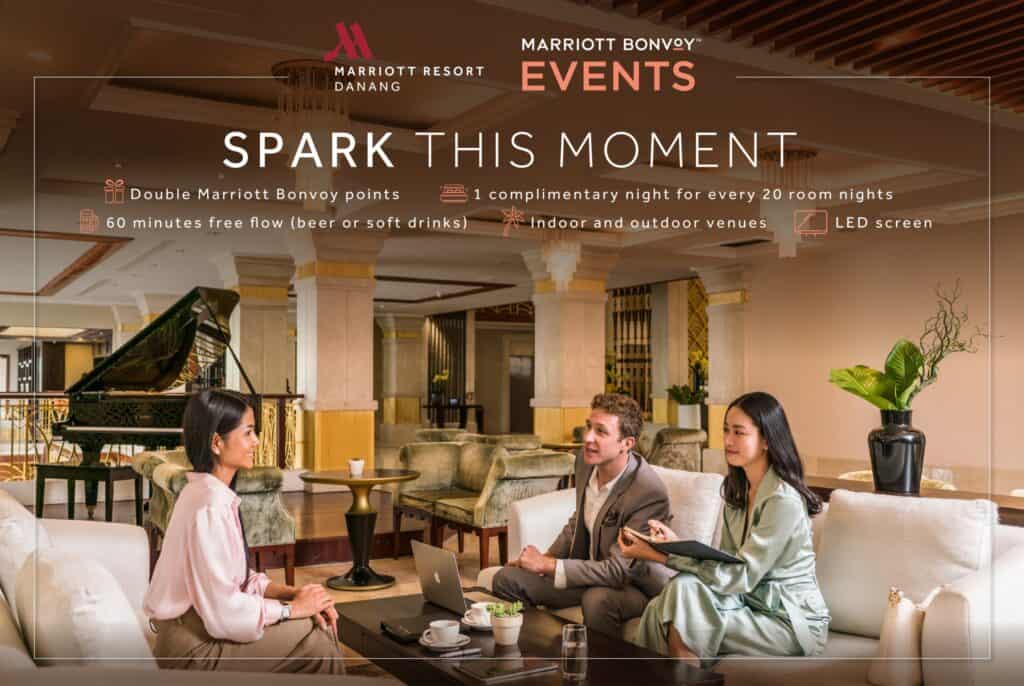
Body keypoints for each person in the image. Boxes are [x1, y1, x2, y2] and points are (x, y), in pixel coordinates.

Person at [620, 391, 829, 665]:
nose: (728, 441)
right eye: (726, 430)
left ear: (766, 439)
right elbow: (727, 565)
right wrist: (672, 544)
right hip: (748, 605)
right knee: (683, 589)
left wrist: (661, 556)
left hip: (789, 621)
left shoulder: (782, 501)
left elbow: (740, 576)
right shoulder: (738, 492)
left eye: (739, 432)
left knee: (681, 608)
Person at [144, 389, 343, 673]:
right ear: (217, 442)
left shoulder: (205, 493)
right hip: (192, 648)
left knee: (318, 637)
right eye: (248, 433)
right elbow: (223, 615)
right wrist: (292, 609)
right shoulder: (209, 508)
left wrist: (294, 594)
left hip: (196, 630)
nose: (257, 441)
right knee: (318, 634)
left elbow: (239, 580)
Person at [492, 393, 671, 637]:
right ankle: (532, 658)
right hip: (589, 573)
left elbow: (618, 571)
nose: (588, 438)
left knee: (597, 599)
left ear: (626, 444)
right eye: (589, 427)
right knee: (507, 578)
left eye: (601, 431)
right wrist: (544, 559)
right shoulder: (586, 462)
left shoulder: (647, 492)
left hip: (632, 585)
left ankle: (597, 673)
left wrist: (550, 565)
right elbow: (578, 521)